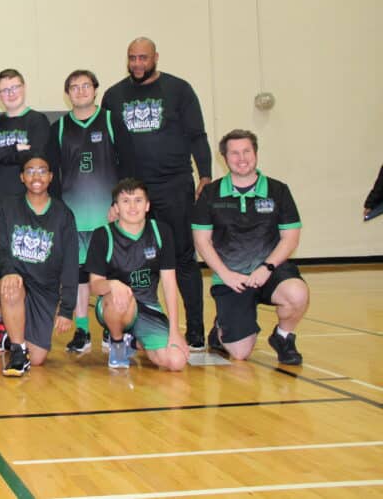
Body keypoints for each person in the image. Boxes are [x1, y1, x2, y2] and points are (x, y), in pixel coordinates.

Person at [101, 37, 212, 350]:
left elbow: (197, 135)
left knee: (182, 258)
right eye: (132, 58)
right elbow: (109, 149)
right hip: (133, 192)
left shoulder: (179, 90)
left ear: (156, 58)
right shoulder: (114, 96)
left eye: (143, 58)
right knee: (130, 262)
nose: (137, 64)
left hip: (174, 186)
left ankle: (194, 329)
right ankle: (134, 326)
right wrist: (115, 197)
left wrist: (205, 173)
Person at [192, 130, 307, 365]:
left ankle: (283, 337)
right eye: (234, 153)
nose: (241, 158)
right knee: (240, 353)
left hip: (270, 272)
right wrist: (226, 275)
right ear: (224, 158)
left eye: (246, 151)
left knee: (297, 293)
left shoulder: (278, 190)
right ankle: (221, 327)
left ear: (255, 153)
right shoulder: (211, 194)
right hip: (231, 278)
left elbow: (290, 238)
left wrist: (267, 267)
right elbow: (202, 241)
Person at [47, 70, 134, 353]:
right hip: (74, 217)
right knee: (80, 275)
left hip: (108, 216)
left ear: (95, 90)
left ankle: (114, 328)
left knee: (114, 274)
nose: (80, 90)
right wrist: (59, 209)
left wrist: (120, 205)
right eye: (74, 86)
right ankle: (82, 330)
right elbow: (53, 174)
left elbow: (129, 164)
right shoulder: (59, 128)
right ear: (67, 93)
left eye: (86, 85)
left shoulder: (110, 120)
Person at [0, 69, 51, 353]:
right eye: (4, 90)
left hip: (29, 208)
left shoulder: (38, 121)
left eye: (15, 87)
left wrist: (2, 151)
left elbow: (37, 155)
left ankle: (23, 325)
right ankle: (3, 327)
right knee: (1, 267)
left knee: (27, 266)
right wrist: (16, 149)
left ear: (24, 87)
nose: (10, 94)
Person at [0, 155, 78, 376]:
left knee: (37, 357)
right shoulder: (7, 207)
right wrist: (8, 271)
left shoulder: (63, 214)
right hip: (12, 278)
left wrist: (66, 308)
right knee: (12, 288)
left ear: (50, 177)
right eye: (30, 171)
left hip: (44, 288)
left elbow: (70, 262)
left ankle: (15, 333)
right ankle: (18, 351)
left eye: (42, 171)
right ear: (22, 177)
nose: (36, 176)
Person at [87, 178, 187, 371]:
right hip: (113, 305)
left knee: (176, 361)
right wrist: (113, 284)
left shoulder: (161, 232)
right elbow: (94, 285)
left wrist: (174, 331)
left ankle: (134, 342)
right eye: (125, 201)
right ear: (116, 207)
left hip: (148, 307)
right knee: (121, 297)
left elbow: (169, 282)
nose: (132, 206)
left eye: (138, 200)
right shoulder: (103, 235)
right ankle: (116, 342)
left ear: (147, 205)